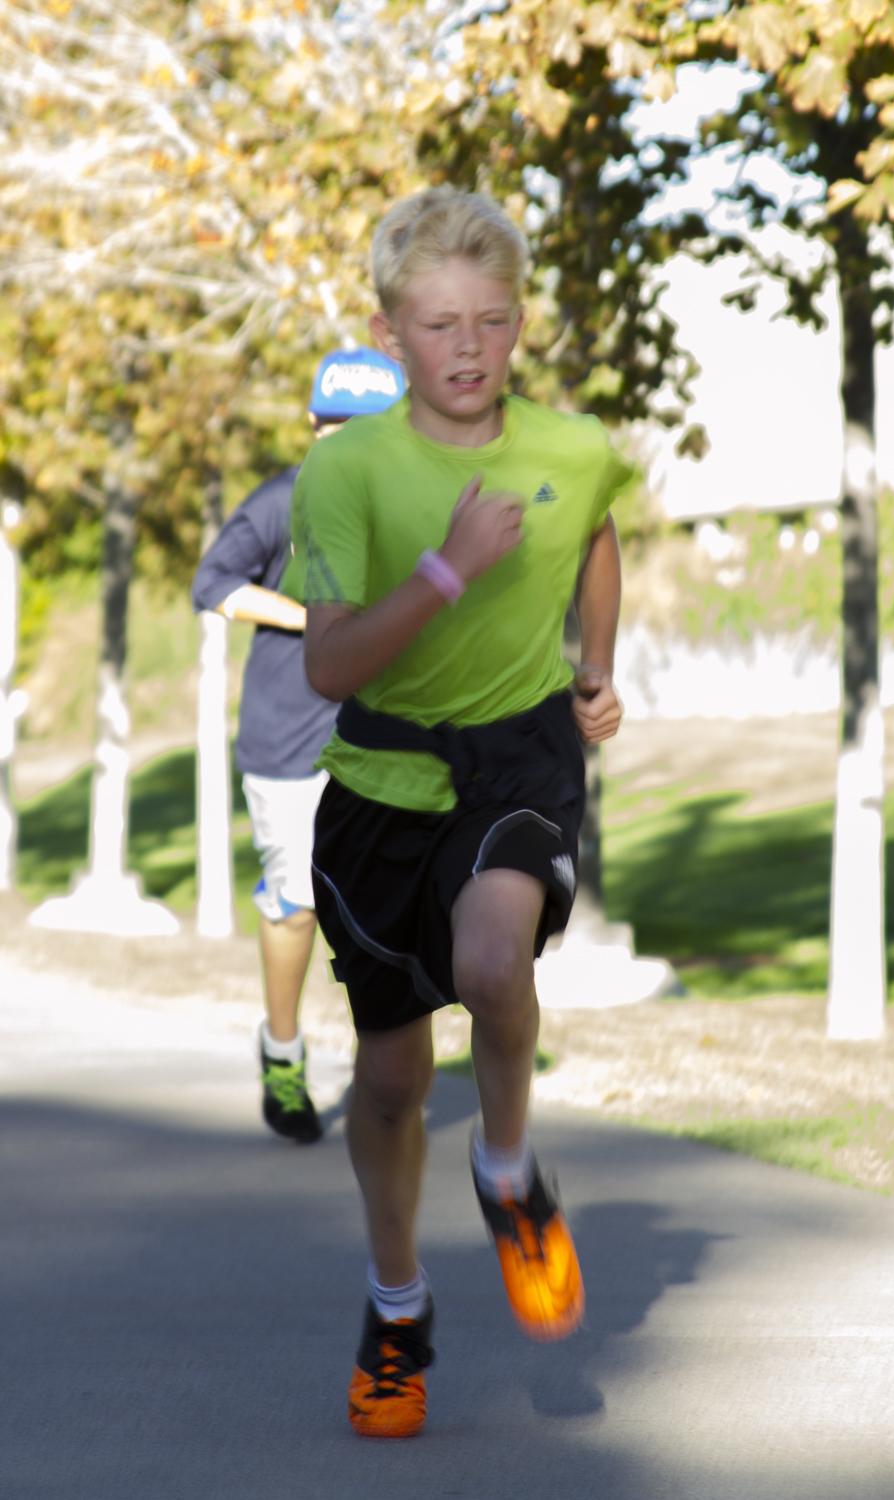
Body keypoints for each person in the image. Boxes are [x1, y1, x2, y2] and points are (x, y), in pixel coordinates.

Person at [292, 186, 630, 1437]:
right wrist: (448, 567)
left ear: (520, 321)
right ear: (393, 333)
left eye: (491, 320)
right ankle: (397, 1310)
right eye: (440, 325)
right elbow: (329, 667)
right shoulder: (347, 470)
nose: (470, 348)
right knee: (388, 1081)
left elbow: (595, 535)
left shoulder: (572, 447)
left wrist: (595, 666)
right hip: (380, 785)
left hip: (518, 758)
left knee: (495, 962)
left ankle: (507, 1169)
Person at [191, 347, 406, 1144]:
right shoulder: (282, 501)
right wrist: (311, 618)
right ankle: (283, 1052)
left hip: (387, 738)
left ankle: (386, 1068)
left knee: (392, 905)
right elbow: (213, 586)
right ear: (313, 423)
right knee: (299, 903)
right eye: (335, 426)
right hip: (289, 738)